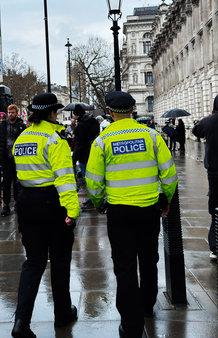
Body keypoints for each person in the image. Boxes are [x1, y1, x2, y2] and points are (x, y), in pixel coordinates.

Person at [86, 91, 178, 338]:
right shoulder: (151, 135)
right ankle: (147, 305)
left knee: (124, 266)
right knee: (149, 260)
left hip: (119, 212)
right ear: (132, 110)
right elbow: (169, 174)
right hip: (149, 210)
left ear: (111, 112)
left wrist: (98, 202)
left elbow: (93, 181)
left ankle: (130, 322)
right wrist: (166, 199)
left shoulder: (102, 140)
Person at [11, 93, 80, 337]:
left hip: (27, 203)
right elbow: (64, 177)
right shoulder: (55, 138)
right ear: (52, 113)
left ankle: (21, 322)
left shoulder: (22, 137)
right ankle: (62, 313)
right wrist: (72, 210)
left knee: (33, 262)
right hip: (52, 202)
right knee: (60, 261)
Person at [192, 94, 218, 261]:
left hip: (215, 172)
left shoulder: (210, 121)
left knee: (215, 210)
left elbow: (196, 131)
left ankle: (215, 247)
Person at [0, 105, 26, 216]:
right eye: (9, 112)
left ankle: (17, 204)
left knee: (17, 182)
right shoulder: (2, 126)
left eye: (13, 112)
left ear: (16, 113)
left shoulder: (21, 126)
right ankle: (6, 205)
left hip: (18, 159)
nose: (10, 114)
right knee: (6, 182)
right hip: (5, 157)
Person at [72, 104, 100, 210]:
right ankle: (96, 197)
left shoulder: (80, 126)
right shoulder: (93, 121)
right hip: (94, 152)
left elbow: (79, 144)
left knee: (86, 178)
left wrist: (74, 159)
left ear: (76, 115)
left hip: (84, 155)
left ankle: (92, 200)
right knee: (94, 178)